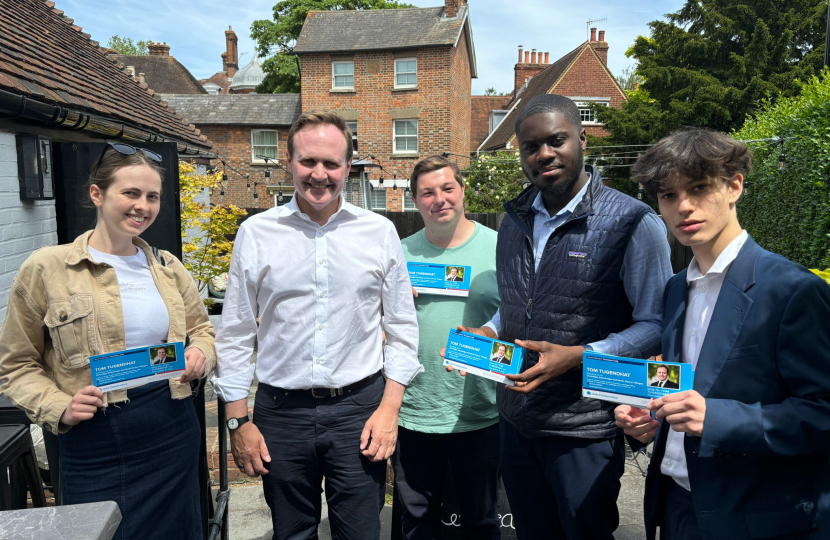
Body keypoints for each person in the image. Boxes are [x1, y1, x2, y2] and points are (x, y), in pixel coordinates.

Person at [453, 94, 673, 539]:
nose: (544, 154)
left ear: (582, 139)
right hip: (517, 420)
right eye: (531, 146)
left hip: (585, 426)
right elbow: (515, 303)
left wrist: (580, 355)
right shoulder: (513, 220)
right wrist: (488, 330)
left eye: (557, 140)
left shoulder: (633, 221)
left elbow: (657, 322)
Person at [212, 111, 422, 540]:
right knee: (292, 534)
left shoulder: (379, 232)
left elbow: (402, 328)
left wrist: (390, 410)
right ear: (289, 163)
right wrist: (237, 422)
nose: (320, 174)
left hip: (358, 411)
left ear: (348, 166)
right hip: (280, 413)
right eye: (308, 161)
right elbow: (234, 334)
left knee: (361, 533)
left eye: (332, 163)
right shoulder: (256, 232)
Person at [615, 129, 830, 540]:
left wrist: (717, 418)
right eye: (668, 195)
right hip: (675, 508)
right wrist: (652, 420)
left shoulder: (793, 290)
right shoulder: (676, 288)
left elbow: (823, 411)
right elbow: (691, 388)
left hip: (757, 517)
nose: (684, 207)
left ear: (734, 186)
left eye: (698, 188)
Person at [0, 143, 215, 540]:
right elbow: (15, 365)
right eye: (130, 193)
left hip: (171, 426)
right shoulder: (47, 268)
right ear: (97, 194)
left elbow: (202, 329)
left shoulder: (169, 268)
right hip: (93, 437)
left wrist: (201, 352)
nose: (143, 206)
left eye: (152, 196)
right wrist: (58, 406)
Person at [395, 155, 502, 540]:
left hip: (482, 408)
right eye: (427, 192)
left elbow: (520, 316)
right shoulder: (398, 252)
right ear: (415, 200)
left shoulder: (501, 246)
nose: (439, 199)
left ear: (462, 191)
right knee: (418, 521)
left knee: (482, 520)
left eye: (447, 188)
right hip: (414, 407)